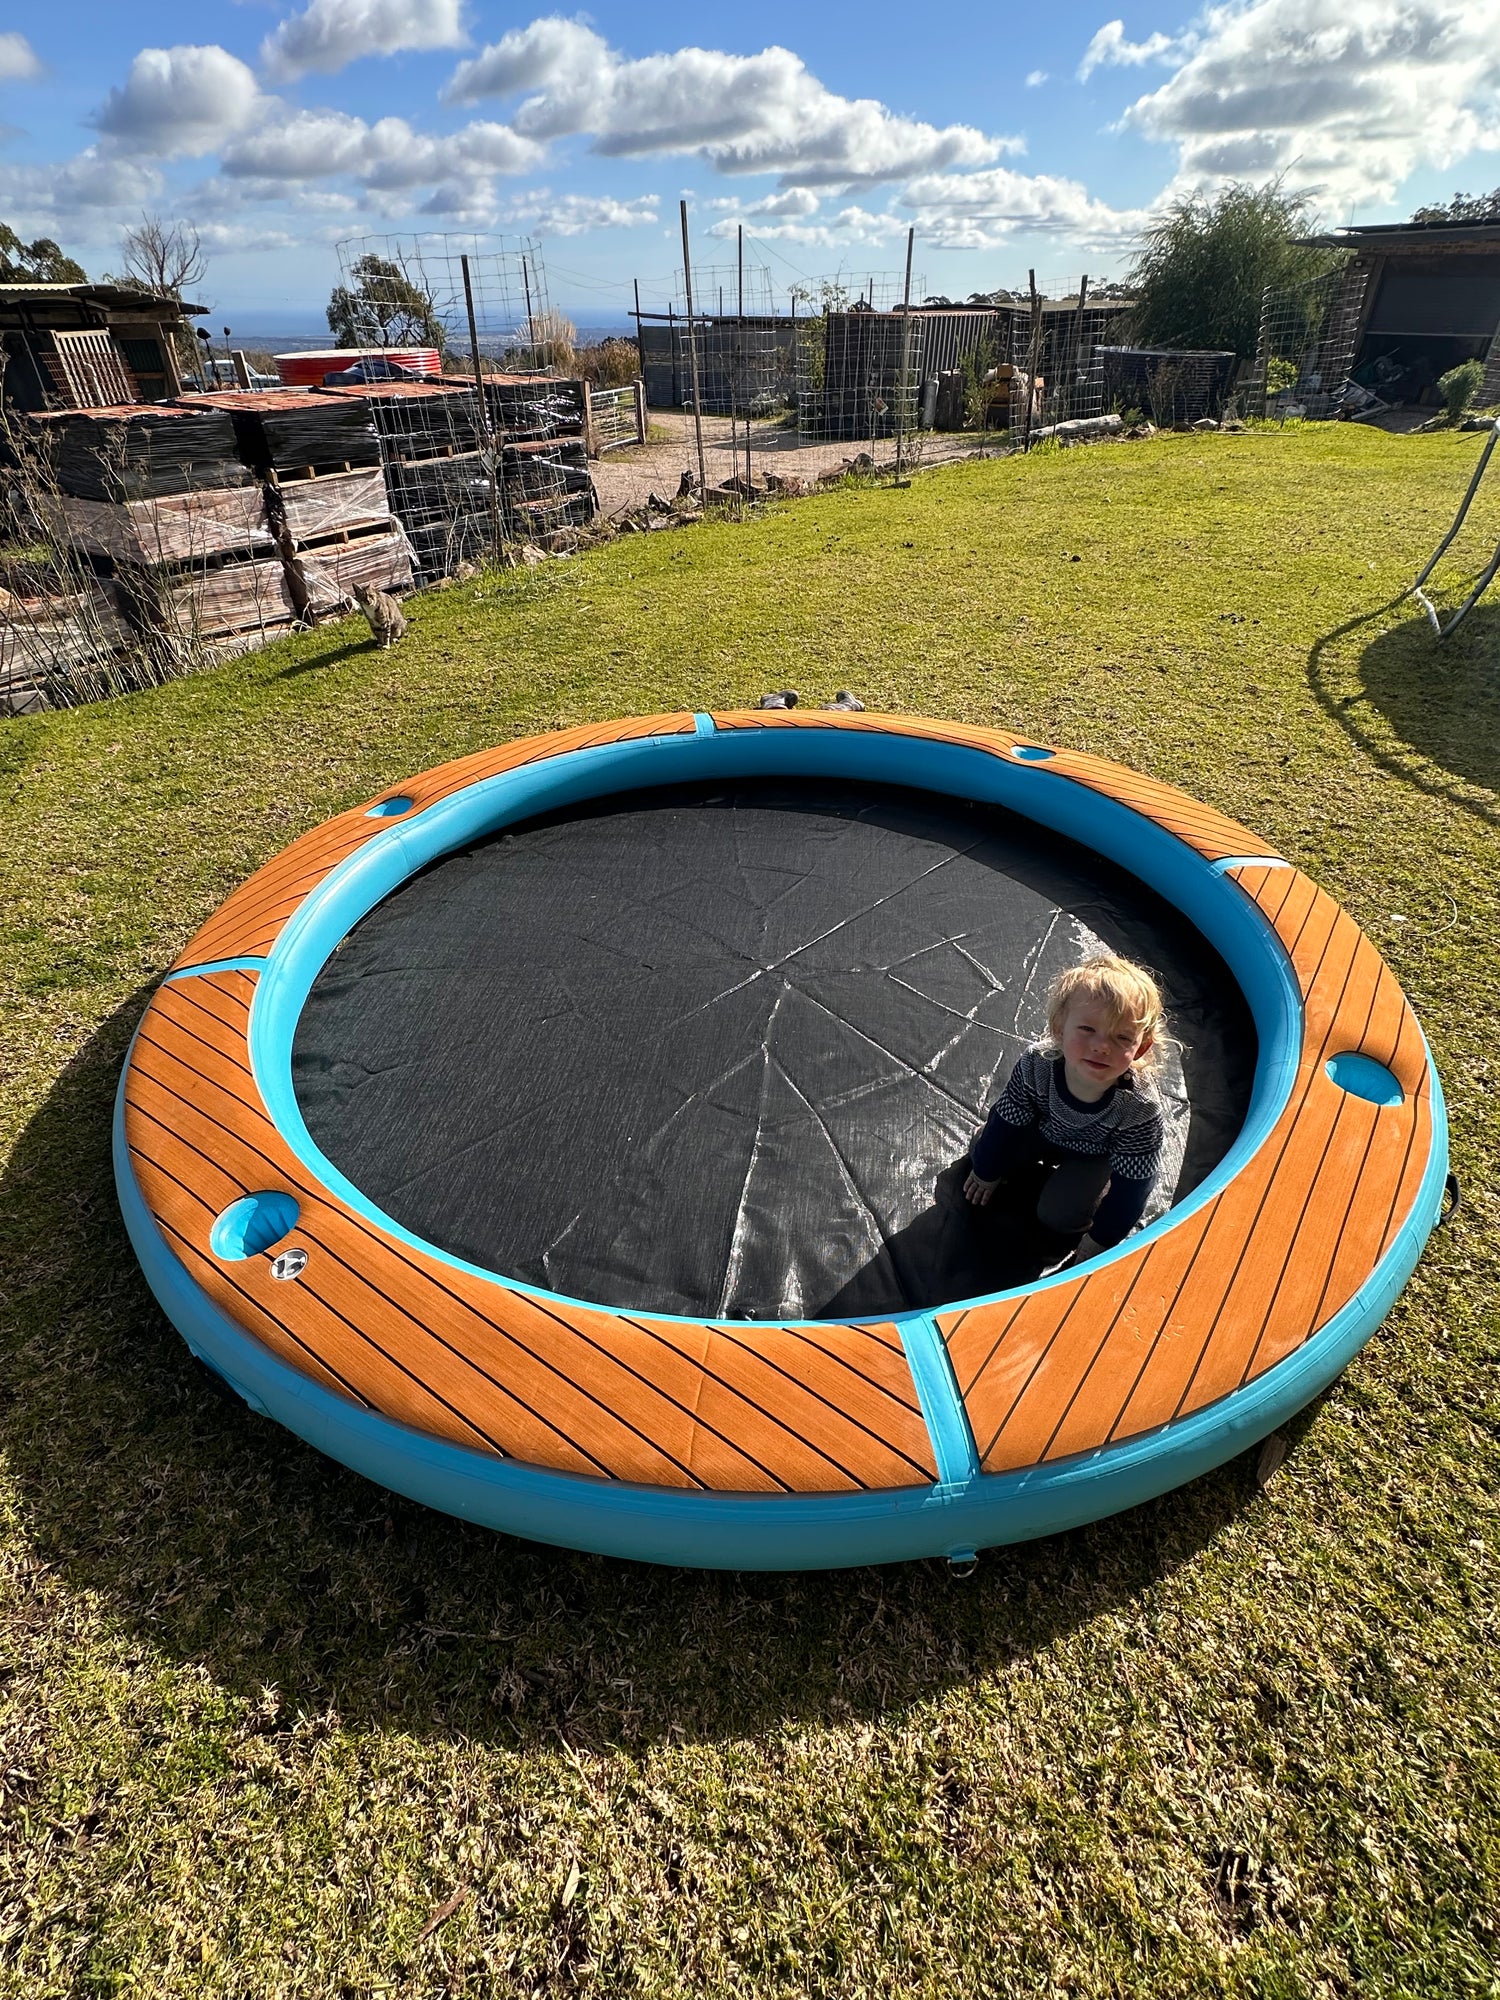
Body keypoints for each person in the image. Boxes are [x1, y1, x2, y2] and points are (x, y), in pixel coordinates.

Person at [963, 953, 1167, 1266]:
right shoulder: (1037, 1064)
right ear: (1059, 1028)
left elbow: (1135, 1187)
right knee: (982, 1149)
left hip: (1096, 1154)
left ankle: (1094, 1190)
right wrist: (987, 1171)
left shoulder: (1140, 1108)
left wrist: (1102, 1238)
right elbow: (1007, 1120)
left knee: (1058, 1216)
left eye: (1122, 1036)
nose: (1101, 1046)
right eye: (1087, 1029)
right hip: (1043, 1132)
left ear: (1140, 1048)